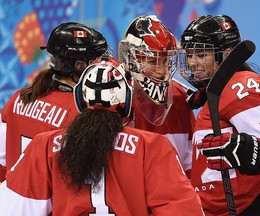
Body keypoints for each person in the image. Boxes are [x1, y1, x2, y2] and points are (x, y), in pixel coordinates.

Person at [0, 56, 204, 215]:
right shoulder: (153, 147)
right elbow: (184, 211)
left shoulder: (44, 146)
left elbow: (12, 210)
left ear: (80, 98)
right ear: (126, 101)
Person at [179, 14, 260, 215]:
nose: (193, 62)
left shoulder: (242, 85)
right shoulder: (214, 93)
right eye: (189, 55)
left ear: (227, 54)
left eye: (201, 55)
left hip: (250, 209)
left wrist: (258, 151)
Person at [0, 22, 109, 182]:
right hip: (51, 205)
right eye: (95, 61)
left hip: (15, 201)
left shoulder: (18, 98)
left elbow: (1, 162)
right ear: (78, 66)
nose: (102, 67)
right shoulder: (82, 113)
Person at [118, 15, 196, 177]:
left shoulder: (180, 95)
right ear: (131, 59)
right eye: (153, 62)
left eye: (166, 61)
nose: (161, 71)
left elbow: (190, 159)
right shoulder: (116, 98)